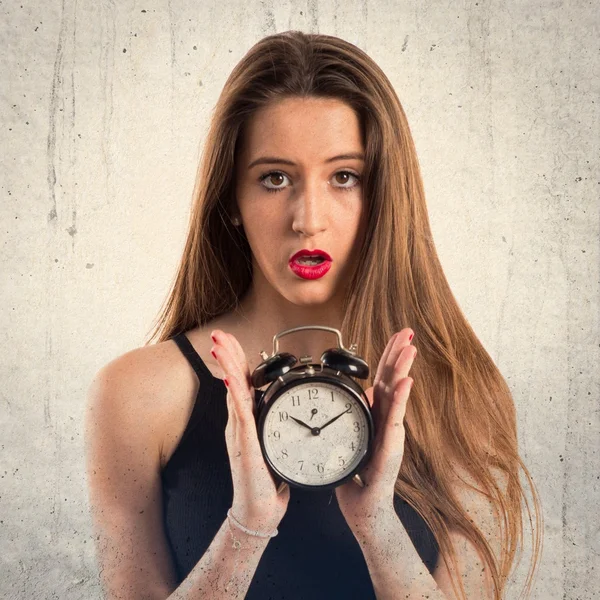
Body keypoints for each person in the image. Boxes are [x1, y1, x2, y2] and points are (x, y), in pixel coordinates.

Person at [84, 31, 542, 600]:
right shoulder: (135, 397)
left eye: (344, 176)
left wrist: (378, 526)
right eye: (274, 178)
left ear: (384, 196)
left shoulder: (461, 394)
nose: (308, 219)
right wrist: (246, 530)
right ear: (230, 197)